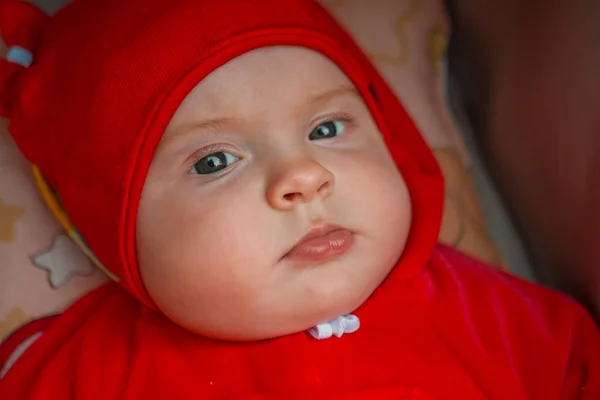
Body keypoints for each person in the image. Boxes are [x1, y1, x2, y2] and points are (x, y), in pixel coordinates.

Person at [0, 0, 598, 398]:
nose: (304, 176)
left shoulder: (492, 318)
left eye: (327, 129)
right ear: (115, 236)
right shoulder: (96, 373)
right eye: (214, 161)